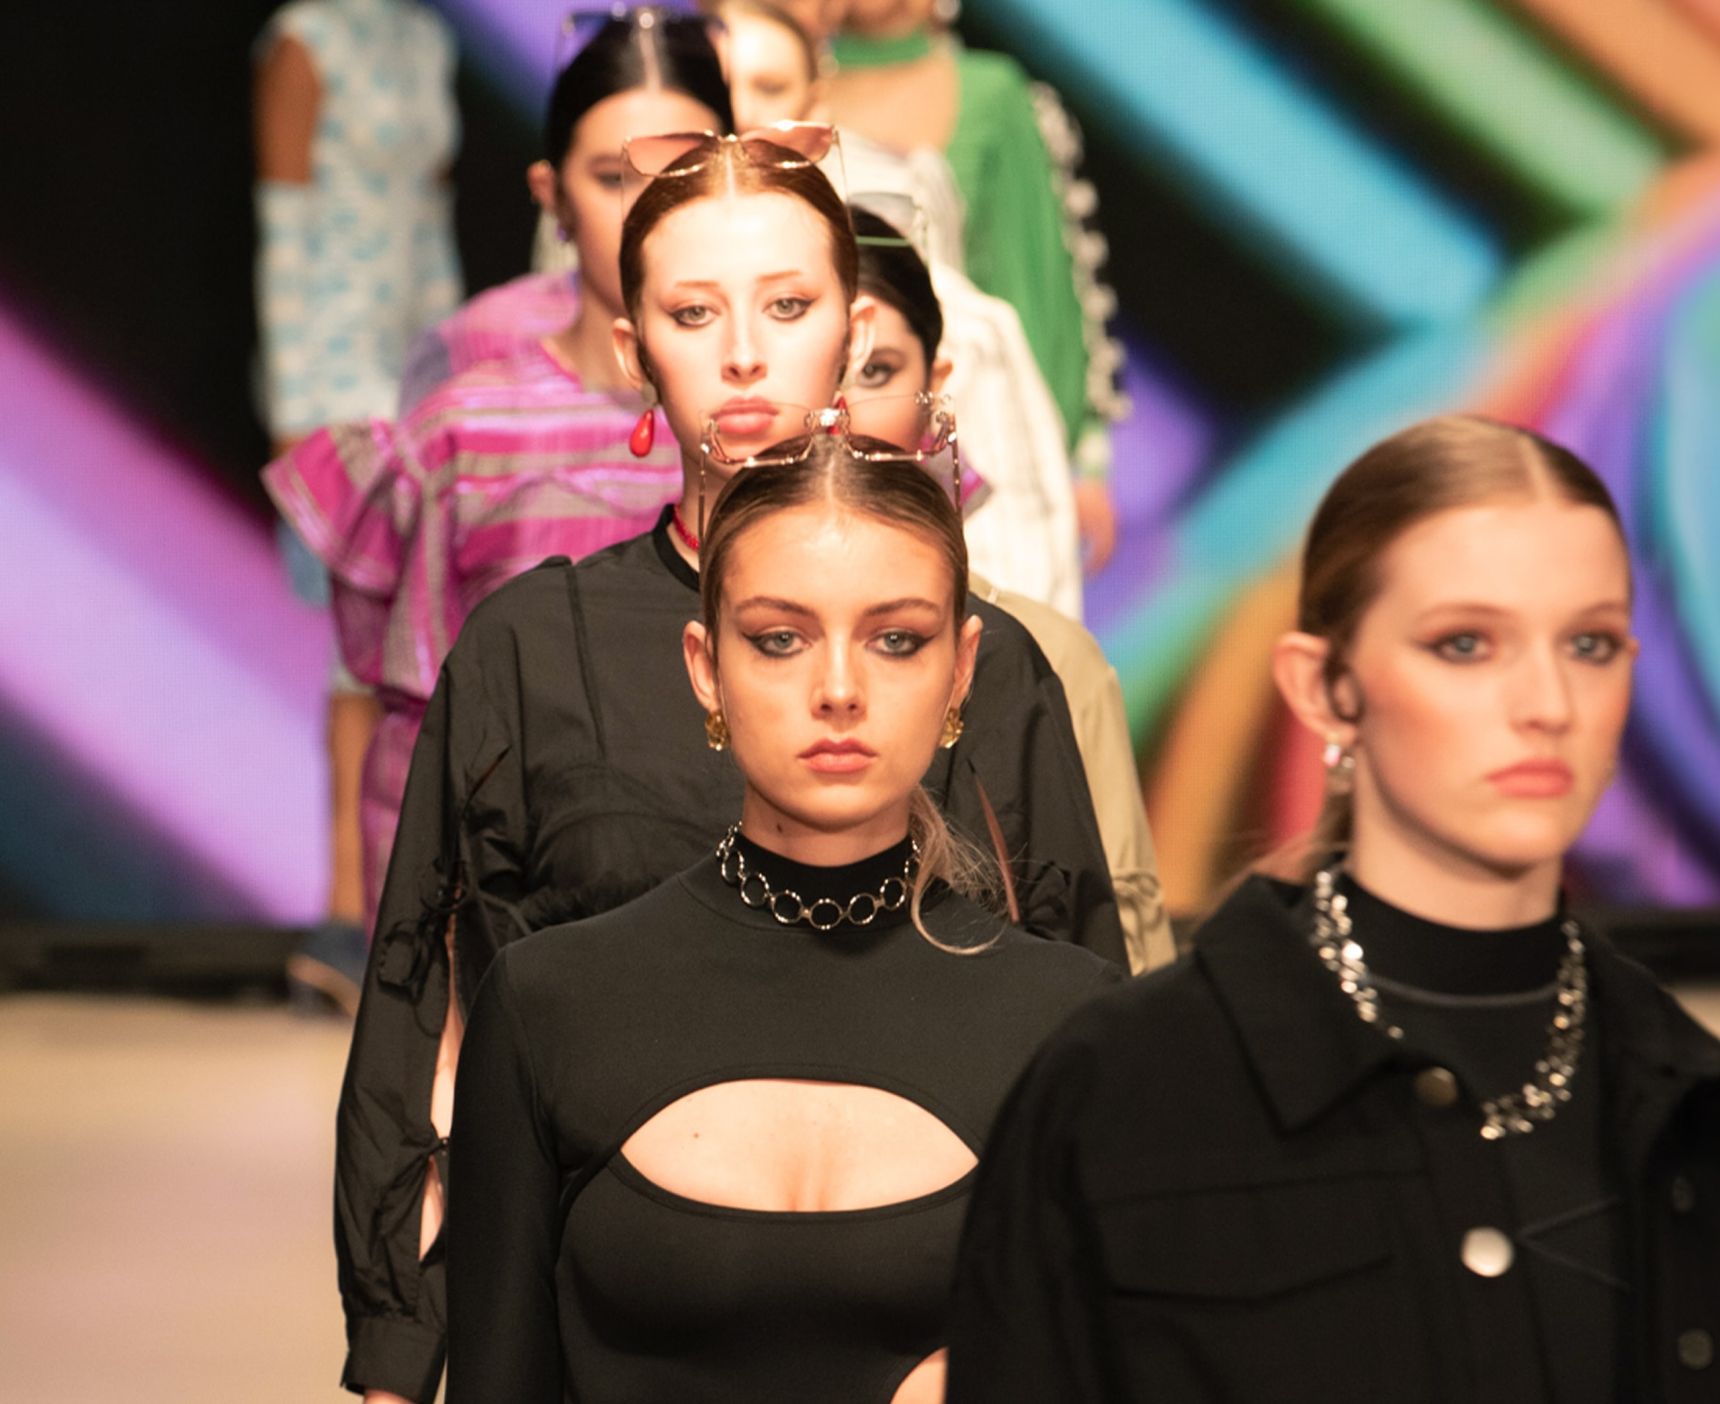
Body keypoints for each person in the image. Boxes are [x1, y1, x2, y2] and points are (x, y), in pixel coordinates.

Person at [334, 133, 1124, 1402]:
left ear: (851, 327)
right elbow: (425, 997)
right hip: (604, 1279)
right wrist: (395, 1348)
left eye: (788, 306)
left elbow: (1077, 982)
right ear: (633, 342)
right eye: (696, 312)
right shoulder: (537, 649)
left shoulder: (992, 660)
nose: (745, 354)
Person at [944, 417, 1720, 1401]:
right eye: (1466, 643)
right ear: (1323, 689)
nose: (1548, 702)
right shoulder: (1124, 1093)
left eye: (1590, 643)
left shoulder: (1687, 1101)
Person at [447, 440, 1121, 1402]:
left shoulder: (1072, 1027)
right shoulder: (550, 1005)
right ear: (705, 667)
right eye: (779, 638)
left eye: (897, 639)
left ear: (962, 668)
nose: (839, 690)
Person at [263, 13, 729, 942]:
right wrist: (416, 972)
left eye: (684, 174)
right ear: (553, 195)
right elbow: (417, 725)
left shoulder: (791, 419)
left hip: (750, 927)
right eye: (614, 177)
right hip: (514, 936)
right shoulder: (473, 421)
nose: (652, 212)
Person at [849, 206, 1172, 968]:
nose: (839, 412)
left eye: (877, 371)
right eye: (812, 368)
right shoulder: (644, 636)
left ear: (935, 386)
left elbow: (1127, 945)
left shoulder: (1048, 659)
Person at [711, 0, 1083, 614]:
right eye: (720, 91)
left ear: (814, 105)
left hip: (938, 439)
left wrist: (1079, 461)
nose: (745, 115)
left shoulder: (975, 108)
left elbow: (1028, 291)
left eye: (769, 88)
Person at [253, 0, 462, 1007]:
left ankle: (397, 911)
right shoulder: (308, 37)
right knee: (356, 649)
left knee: (413, 644)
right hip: (331, 383)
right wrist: (294, 404)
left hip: (411, 373)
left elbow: (430, 228)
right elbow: (285, 228)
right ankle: (345, 919)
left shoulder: (424, 41)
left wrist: (450, 376)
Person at [827, 0, 1126, 570]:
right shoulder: (782, 84)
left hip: (977, 423)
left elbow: (1038, 286)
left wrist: (1078, 459)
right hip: (824, 423)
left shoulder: (990, 91)